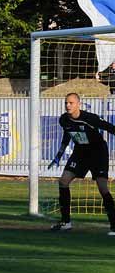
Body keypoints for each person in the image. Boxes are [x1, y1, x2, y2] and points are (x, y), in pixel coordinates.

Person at [48, 92, 115, 235]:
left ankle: (114, 225)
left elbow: (110, 128)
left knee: (103, 188)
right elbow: (67, 136)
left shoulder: (90, 119)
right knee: (63, 181)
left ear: (78, 104)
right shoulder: (64, 120)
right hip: (80, 153)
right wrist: (58, 156)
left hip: (98, 153)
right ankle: (66, 222)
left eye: (71, 103)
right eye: (66, 103)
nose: (68, 105)